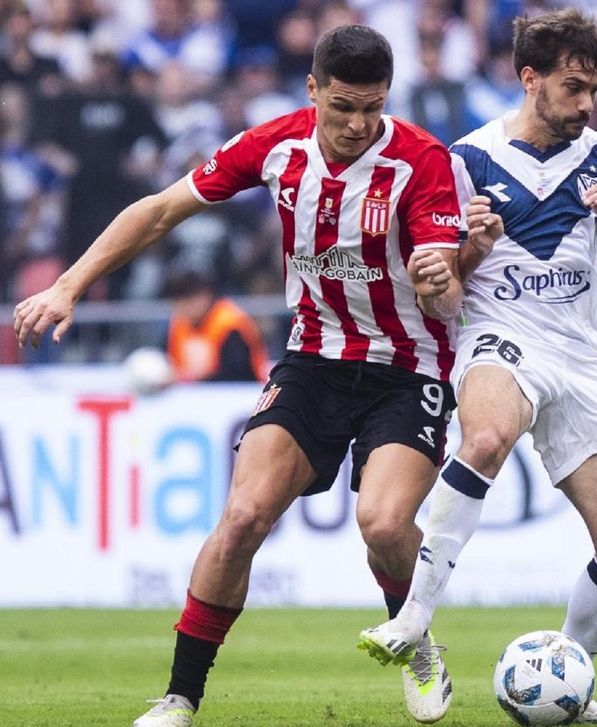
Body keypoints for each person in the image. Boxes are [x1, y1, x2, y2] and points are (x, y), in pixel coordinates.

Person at [13, 24, 464, 727]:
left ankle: (417, 636)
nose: (356, 123)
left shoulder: (420, 161)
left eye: (372, 107)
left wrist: (439, 280)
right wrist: (68, 285)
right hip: (314, 358)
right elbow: (161, 210)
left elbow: (447, 291)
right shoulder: (276, 145)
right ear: (312, 89)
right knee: (243, 516)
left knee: (380, 522)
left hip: (408, 368)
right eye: (342, 105)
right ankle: (179, 697)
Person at [359, 9, 597, 725]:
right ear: (529, 78)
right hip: (499, 335)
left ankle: (564, 679)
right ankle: (414, 615)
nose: (587, 102)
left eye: (594, 86)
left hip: (578, 354)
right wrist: (465, 249)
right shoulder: (466, 158)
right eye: (572, 86)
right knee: (487, 437)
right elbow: (441, 292)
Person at [165, 271, 269, 382]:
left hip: (239, 392)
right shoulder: (179, 323)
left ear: (203, 297)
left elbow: (238, 372)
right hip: (192, 393)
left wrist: (197, 378)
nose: (182, 310)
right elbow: (169, 360)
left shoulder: (230, 323)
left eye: (186, 303)